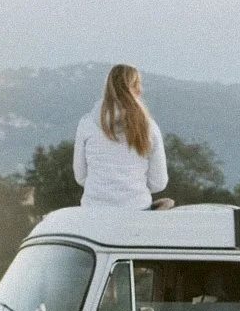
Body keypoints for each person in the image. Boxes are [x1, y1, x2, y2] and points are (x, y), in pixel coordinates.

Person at [73, 64, 172, 210]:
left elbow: (81, 176)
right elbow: (159, 182)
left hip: (93, 212)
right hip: (136, 210)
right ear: (137, 88)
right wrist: (130, 189)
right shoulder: (149, 127)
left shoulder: (87, 124)